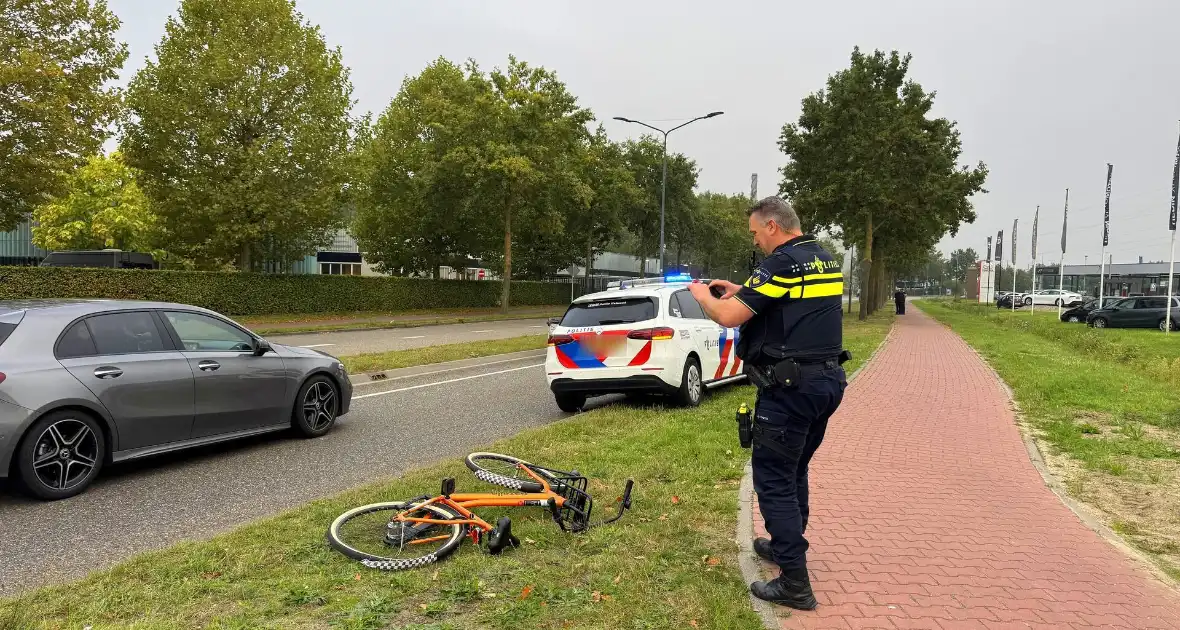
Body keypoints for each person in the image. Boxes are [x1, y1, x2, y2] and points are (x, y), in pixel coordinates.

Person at [688, 196, 847, 611]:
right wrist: (742, 291)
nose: (756, 241)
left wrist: (702, 295)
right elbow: (791, 304)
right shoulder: (823, 259)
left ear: (773, 226)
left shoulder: (780, 263)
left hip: (789, 389)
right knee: (795, 468)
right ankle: (784, 545)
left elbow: (727, 317)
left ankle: (794, 582)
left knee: (774, 479)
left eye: (756, 233)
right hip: (826, 382)